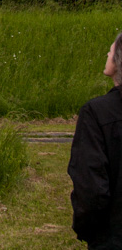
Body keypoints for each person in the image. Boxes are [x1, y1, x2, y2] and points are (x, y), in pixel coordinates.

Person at [68, 32, 122, 249]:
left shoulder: (96, 113)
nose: (107, 54)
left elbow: (91, 191)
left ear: (118, 60)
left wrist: (87, 230)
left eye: (110, 50)